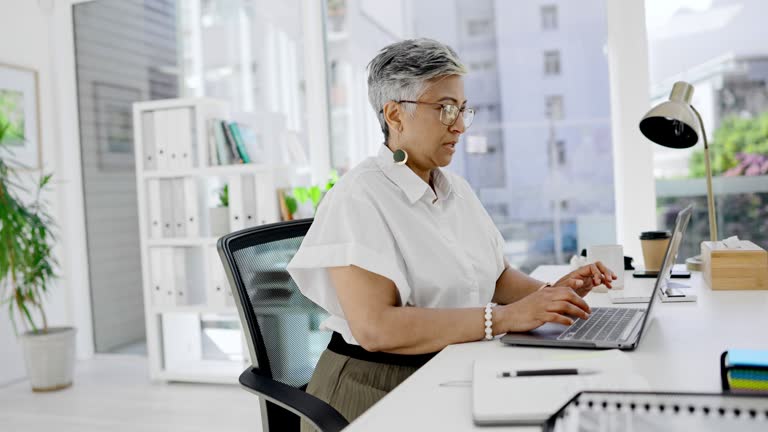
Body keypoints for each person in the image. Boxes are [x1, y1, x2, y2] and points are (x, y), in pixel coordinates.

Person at [286, 38, 617, 428]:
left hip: (449, 366)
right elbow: (376, 329)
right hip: (374, 387)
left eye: (461, 109)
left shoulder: (455, 189)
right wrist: (505, 319)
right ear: (395, 115)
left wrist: (550, 295)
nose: (459, 125)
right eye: (444, 109)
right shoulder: (357, 198)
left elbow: (495, 277)